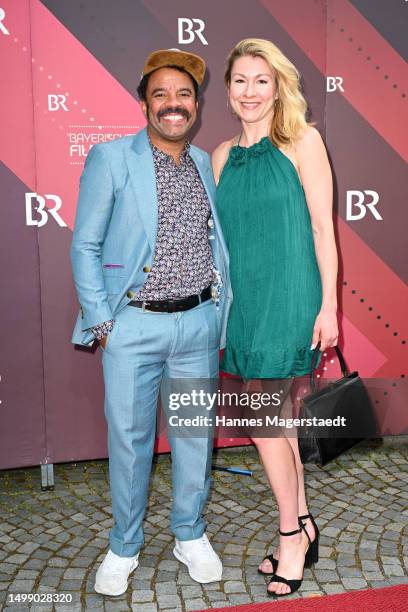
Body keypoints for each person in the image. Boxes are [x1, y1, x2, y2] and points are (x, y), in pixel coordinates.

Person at [71, 48, 232, 596]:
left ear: (196, 105)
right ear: (144, 102)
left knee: (193, 437)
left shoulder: (206, 163)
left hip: (197, 325)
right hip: (133, 327)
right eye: (160, 93)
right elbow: (85, 244)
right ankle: (124, 544)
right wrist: (103, 322)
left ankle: (190, 533)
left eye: (183, 94)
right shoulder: (112, 158)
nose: (173, 104)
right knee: (131, 441)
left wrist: (217, 312)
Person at [212, 39, 339, 597]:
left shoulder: (303, 142)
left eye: (261, 80)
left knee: (264, 426)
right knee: (278, 421)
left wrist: (328, 305)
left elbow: (321, 231)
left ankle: (289, 534)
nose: (250, 92)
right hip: (246, 306)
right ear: (228, 89)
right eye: (240, 80)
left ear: (278, 84)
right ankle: (306, 523)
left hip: (290, 299)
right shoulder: (220, 156)